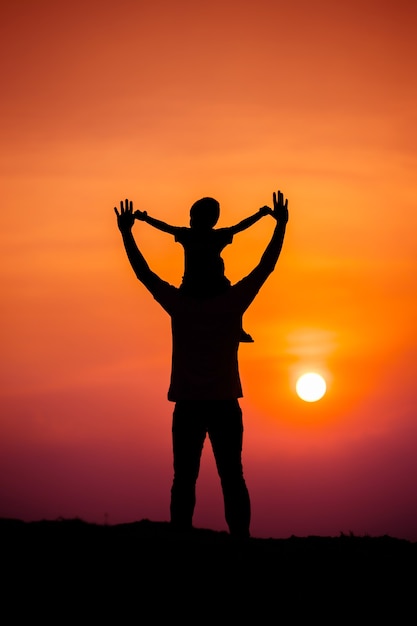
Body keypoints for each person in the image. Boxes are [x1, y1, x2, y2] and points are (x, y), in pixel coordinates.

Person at [114, 189, 289, 538]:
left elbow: (144, 273)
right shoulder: (230, 303)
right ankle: (239, 541)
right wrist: (280, 227)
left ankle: (184, 540)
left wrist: (127, 232)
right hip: (223, 404)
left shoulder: (181, 305)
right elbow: (265, 266)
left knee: (185, 478)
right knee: (231, 476)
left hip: (190, 405)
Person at [134, 198, 273, 342]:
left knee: (230, 294)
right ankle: (237, 327)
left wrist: (146, 219)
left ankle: (237, 327)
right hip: (204, 286)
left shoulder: (190, 235)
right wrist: (260, 215)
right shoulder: (213, 236)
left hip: (197, 286)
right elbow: (240, 227)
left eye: (193, 216)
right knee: (232, 296)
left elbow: (165, 227)